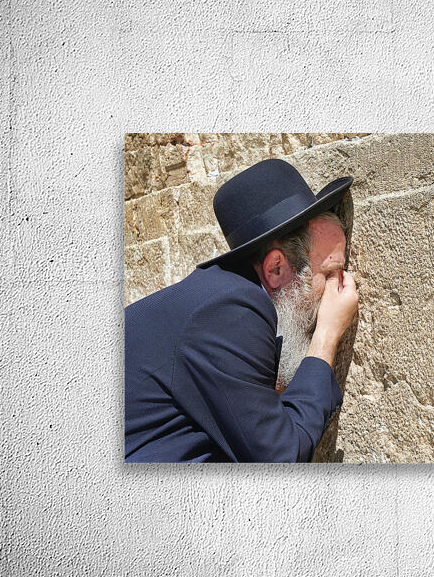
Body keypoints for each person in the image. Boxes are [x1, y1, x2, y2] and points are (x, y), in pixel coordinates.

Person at [124, 158, 359, 462]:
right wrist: (327, 335)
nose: (337, 287)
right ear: (275, 268)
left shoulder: (218, 296)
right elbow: (279, 458)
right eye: (329, 273)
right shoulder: (232, 310)